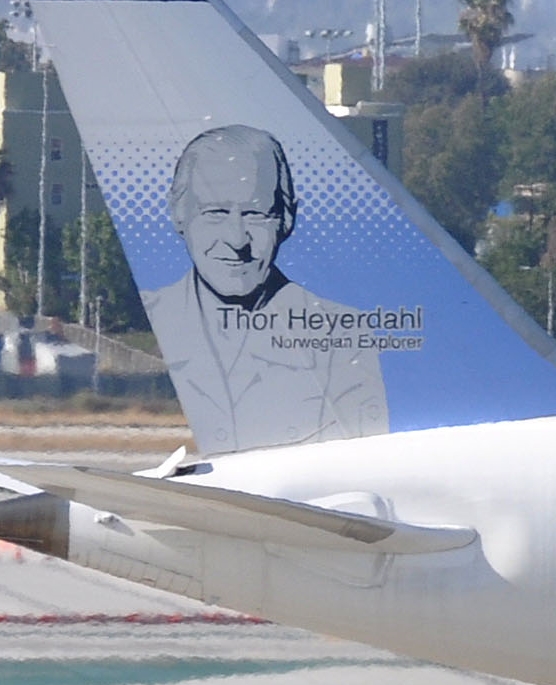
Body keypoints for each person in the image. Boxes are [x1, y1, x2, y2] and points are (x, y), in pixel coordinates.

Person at [141, 123, 397, 450]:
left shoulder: (341, 338)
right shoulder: (157, 316)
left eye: (256, 215)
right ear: (178, 214)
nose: (236, 240)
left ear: (287, 220)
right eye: (216, 213)